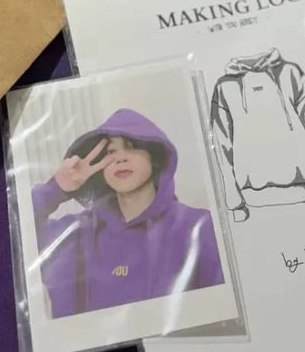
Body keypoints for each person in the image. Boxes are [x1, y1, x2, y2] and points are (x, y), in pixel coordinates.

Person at [31, 108, 224, 318]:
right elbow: (17, 241)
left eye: (131, 147)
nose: (120, 158)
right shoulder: (77, 233)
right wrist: (57, 188)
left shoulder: (199, 227)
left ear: (155, 158)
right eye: (110, 152)